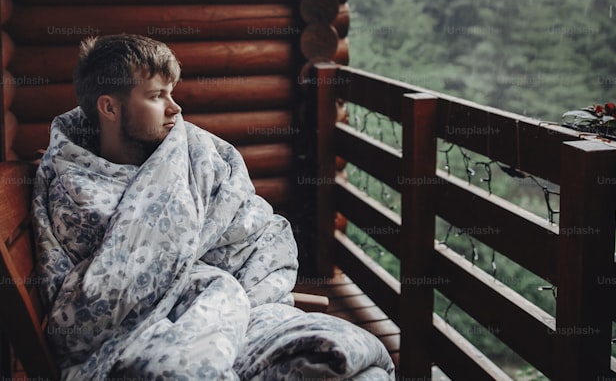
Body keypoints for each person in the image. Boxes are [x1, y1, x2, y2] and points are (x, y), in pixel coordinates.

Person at [32, 34, 395, 380]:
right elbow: (94, 299)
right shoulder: (75, 184)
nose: (175, 107)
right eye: (157, 96)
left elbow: (251, 227)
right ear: (109, 107)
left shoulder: (193, 153)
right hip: (157, 330)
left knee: (357, 360)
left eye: (171, 92)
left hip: (244, 303)